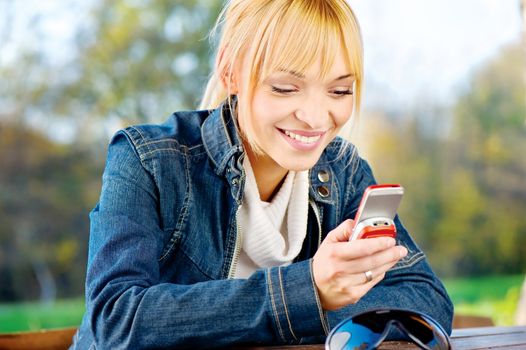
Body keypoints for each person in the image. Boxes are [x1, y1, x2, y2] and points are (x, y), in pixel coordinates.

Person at [71, 0, 453, 348]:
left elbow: (427, 298)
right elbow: (116, 320)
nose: (317, 118)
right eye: (286, 88)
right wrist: (310, 292)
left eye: (339, 91)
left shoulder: (344, 172)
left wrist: (323, 298)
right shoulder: (147, 160)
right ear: (231, 72)